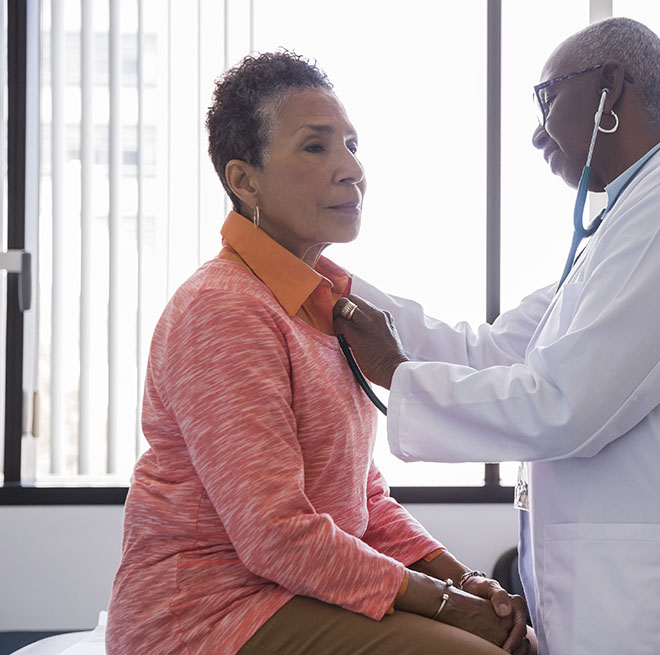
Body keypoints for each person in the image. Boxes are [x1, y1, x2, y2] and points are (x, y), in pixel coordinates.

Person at [334, 17, 660, 655]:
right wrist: (331, 282)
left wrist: (395, 372)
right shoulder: (622, 227)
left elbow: (568, 402)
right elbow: (488, 352)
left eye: (548, 99)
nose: (537, 132)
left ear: (610, 86)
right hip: (634, 570)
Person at [106, 51, 532, 655]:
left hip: (295, 594)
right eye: (315, 147)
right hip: (208, 615)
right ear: (244, 181)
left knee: (521, 643)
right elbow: (276, 536)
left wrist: (464, 581)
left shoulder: (324, 304)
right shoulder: (223, 309)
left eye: (352, 146)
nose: (351, 169)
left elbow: (362, 496)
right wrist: (445, 604)